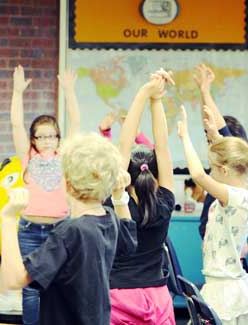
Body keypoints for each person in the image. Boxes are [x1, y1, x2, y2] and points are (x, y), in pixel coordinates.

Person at [0, 132, 138, 325]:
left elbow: (14, 281)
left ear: (68, 184)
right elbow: (129, 243)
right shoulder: (108, 218)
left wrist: (8, 218)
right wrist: (119, 194)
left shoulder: (70, 232)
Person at [0, 65, 80, 325]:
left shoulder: (65, 156)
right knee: (30, 289)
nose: (48, 140)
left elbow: (76, 123)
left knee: (59, 286)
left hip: (60, 229)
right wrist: (17, 92)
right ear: (34, 140)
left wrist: (70, 91)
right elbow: (16, 123)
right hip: (29, 230)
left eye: (53, 136)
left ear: (58, 139)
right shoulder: (26, 158)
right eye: (42, 136)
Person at [177, 104, 248, 324]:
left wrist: (185, 136)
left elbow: (197, 174)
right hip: (219, 285)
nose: (211, 173)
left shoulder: (237, 198)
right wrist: (214, 135)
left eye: (213, 169)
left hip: (228, 291)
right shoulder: (242, 188)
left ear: (224, 171)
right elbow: (230, 156)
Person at [106, 70, 176, 324]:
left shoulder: (114, 201)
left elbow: (124, 145)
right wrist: (157, 101)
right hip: (157, 299)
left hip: (117, 298)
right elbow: (164, 147)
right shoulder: (165, 204)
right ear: (157, 175)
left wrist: (144, 92)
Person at [193, 63, 248, 240]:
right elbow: (210, 125)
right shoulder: (229, 165)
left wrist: (205, 92)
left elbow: (220, 128)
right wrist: (203, 94)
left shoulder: (245, 167)